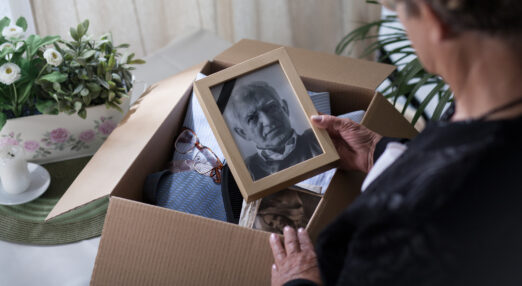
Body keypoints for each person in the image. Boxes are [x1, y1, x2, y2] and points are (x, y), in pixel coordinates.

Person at [269, 0, 522, 285]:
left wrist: (299, 280)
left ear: (432, 20)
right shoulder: (492, 105)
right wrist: (381, 153)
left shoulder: (409, 223)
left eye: (397, 10)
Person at [225, 81, 322, 180]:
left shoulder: (319, 139)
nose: (268, 121)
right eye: (253, 118)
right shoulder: (245, 172)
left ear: (285, 108)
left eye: (271, 108)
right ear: (243, 133)